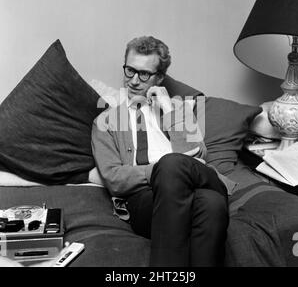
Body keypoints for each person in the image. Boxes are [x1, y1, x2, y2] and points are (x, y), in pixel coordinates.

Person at [91, 36, 235, 267]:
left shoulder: (178, 109)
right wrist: (157, 171)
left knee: (173, 165)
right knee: (211, 205)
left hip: (198, 180)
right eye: (130, 70)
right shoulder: (105, 121)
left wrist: (169, 110)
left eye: (145, 74)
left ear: (159, 78)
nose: (134, 81)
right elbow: (114, 179)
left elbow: (198, 156)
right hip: (145, 198)